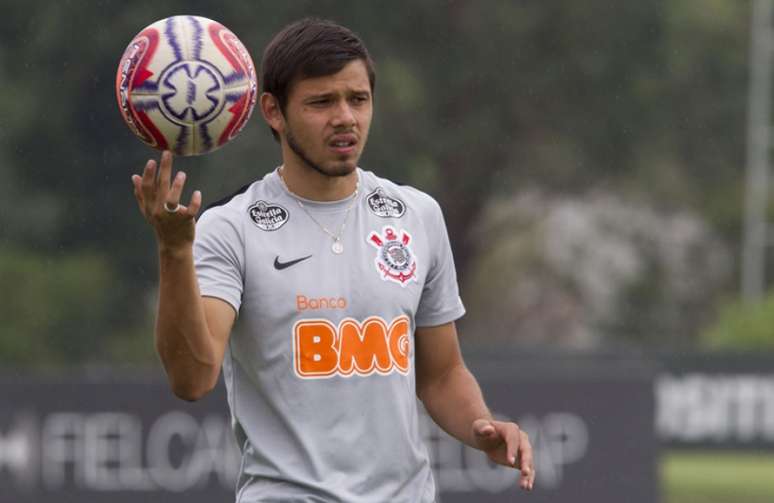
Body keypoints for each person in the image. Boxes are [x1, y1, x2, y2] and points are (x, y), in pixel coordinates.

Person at [131, 17, 534, 502]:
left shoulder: (417, 216)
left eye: (358, 99)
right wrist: (174, 251)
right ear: (273, 112)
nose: (345, 117)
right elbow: (192, 378)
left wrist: (483, 426)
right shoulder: (230, 228)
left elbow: (441, 374)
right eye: (322, 102)